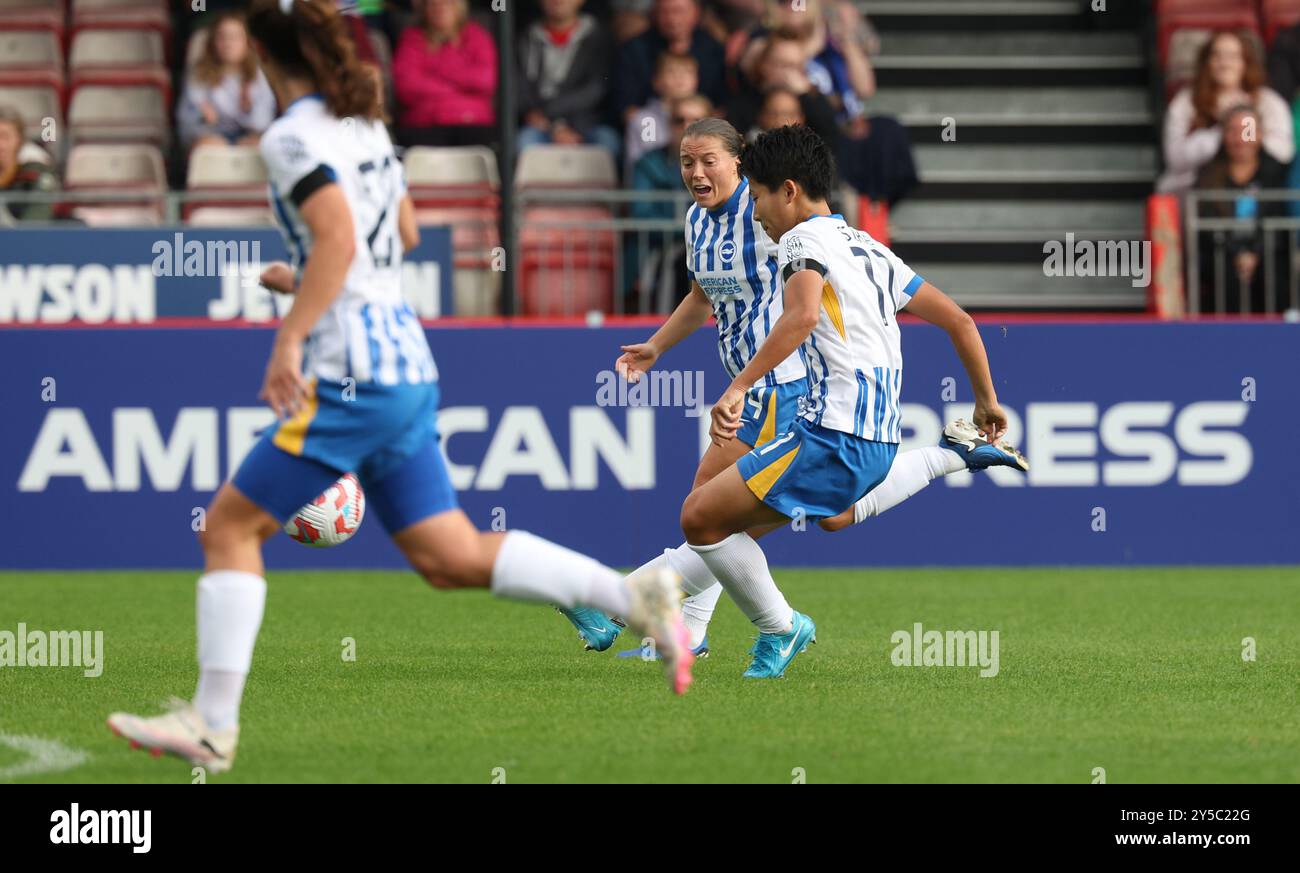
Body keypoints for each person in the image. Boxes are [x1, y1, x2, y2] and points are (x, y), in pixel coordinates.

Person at [106, 0, 693, 775]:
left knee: (228, 528)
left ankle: (213, 725)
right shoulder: (365, 124)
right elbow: (401, 237)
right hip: (407, 363)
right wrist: (306, 277)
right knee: (447, 554)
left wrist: (290, 334)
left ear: (261, 56)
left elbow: (342, 238)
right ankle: (635, 597)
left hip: (357, 374)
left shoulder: (289, 136)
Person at [557, 119, 1026, 658]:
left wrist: (744, 382)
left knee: (715, 517)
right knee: (794, 516)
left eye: (709, 159)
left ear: (741, 165)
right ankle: (682, 629)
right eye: (687, 161)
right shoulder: (699, 221)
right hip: (759, 385)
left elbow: (806, 305)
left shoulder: (778, 221)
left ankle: (635, 609)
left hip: (785, 384)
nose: (695, 172)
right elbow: (702, 295)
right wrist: (658, 346)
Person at [1158, 29, 1294, 193]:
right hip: (1195, 188)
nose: (1224, 63)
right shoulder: (1186, 101)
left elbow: (1283, 150)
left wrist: (1245, 136)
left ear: (1245, 62)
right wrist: (1219, 137)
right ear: (1206, 61)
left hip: (1256, 188)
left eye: (1233, 56)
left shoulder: (1266, 101)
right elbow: (1174, 157)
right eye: (1217, 56)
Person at [1194, 105, 1288, 313]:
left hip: (1267, 254)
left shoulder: (1276, 173)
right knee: (1223, 274)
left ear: (1260, 134)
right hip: (1223, 254)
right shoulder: (1208, 175)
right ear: (1224, 135)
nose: (1240, 138)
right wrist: (1236, 253)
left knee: (1273, 274)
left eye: (1247, 130)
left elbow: (1279, 221)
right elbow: (1207, 225)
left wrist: (1255, 254)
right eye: (1233, 130)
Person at [518, 0, 621, 159]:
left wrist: (556, 119)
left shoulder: (599, 36)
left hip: (586, 123)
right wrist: (554, 127)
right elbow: (520, 88)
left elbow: (595, 89)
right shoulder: (526, 38)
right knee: (523, 142)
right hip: (541, 126)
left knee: (608, 142)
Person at [392, 0, 497, 147]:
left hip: (472, 122)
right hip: (425, 123)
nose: (440, 8)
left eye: (447, 3)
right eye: (433, 4)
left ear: (459, 6)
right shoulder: (412, 38)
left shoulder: (477, 36)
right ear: (424, 8)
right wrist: (458, 87)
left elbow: (486, 81)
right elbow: (406, 86)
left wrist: (438, 73)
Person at [176, 10, 278, 151]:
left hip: (247, 137)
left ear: (246, 42)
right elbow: (186, 122)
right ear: (213, 42)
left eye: (235, 37)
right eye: (222, 37)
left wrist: (247, 109)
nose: (228, 43)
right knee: (209, 147)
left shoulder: (257, 74)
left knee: (259, 146)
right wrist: (203, 117)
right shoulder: (198, 74)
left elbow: (264, 122)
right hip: (211, 137)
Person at [614, 0, 728, 125]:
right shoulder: (635, 49)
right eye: (665, 12)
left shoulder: (713, 49)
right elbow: (627, 108)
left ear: (696, 13)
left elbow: (722, 105)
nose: (672, 20)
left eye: (679, 11)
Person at [0, 107, 58, 222]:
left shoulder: (34, 171)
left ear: (19, 139)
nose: (0, 144)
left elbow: (37, 218)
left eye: (4, 136)